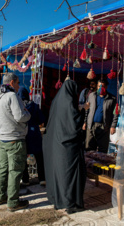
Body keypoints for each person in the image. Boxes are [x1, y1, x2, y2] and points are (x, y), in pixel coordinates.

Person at [43, 79, 89, 214]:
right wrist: (81, 112)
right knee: (72, 176)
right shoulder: (69, 103)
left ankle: (60, 200)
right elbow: (74, 124)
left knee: (60, 175)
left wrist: (79, 108)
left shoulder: (57, 101)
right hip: (69, 147)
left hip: (57, 144)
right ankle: (72, 203)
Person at [0, 73, 31, 212]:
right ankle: (13, 202)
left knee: (3, 168)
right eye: (18, 82)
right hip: (14, 138)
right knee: (15, 170)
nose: (19, 86)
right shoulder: (12, 96)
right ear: (13, 82)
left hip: (2, 138)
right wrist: (28, 114)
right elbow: (20, 116)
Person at [17, 87, 46, 186]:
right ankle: (42, 178)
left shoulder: (19, 107)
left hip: (24, 134)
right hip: (35, 133)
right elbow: (41, 120)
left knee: (23, 156)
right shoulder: (34, 105)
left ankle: (25, 179)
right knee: (39, 156)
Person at [83, 78, 118, 153]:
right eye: (99, 86)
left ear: (106, 87)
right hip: (91, 126)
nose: (101, 88)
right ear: (97, 87)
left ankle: (100, 164)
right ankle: (90, 164)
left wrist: (113, 126)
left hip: (104, 127)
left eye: (103, 86)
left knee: (102, 150)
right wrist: (85, 122)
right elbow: (87, 109)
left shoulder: (112, 98)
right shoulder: (91, 96)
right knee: (89, 148)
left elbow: (115, 113)